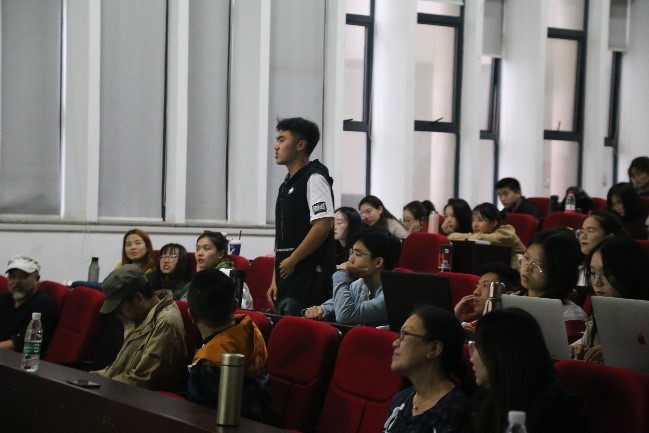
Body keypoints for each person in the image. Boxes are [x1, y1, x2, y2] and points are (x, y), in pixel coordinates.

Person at [469, 308, 587, 433]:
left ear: (498, 354)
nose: (471, 357)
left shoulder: (561, 411)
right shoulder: (485, 400)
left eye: (477, 347)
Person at [266, 117, 336, 316]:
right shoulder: (286, 184)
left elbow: (323, 224)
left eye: (282, 140)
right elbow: (282, 236)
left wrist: (293, 260)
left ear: (300, 145)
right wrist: (275, 278)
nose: (276, 146)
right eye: (277, 140)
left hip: (309, 278)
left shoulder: (315, 178)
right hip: (288, 276)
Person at [186, 269, 270, 421]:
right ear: (235, 305)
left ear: (191, 314)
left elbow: (200, 417)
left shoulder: (208, 363)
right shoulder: (252, 331)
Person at [93, 264, 187, 390]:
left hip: (138, 396)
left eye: (119, 308)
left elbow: (143, 379)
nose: (117, 314)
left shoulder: (166, 322)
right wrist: (92, 378)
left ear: (138, 298)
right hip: (120, 388)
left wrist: (101, 385)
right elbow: (117, 369)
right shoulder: (139, 315)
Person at [383, 305, 470, 433]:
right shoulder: (402, 399)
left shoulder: (453, 410)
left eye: (404, 334)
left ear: (434, 349)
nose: (395, 343)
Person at [570, 236, 649, 362]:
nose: (597, 282)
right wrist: (577, 348)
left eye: (607, 274)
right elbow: (585, 342)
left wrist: (617, 353)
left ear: (629, 273)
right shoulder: (600, 309)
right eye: (593, 273)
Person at [303, 227, 401, 326]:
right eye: (352, 253)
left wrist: (341, 272)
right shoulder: (361, 283)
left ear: (378, 262)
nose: (350, 259)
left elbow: (345, 316)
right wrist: (317, 311)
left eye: (358, 254)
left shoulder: (392, 294)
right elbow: (331, 307)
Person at [516, 230, 586, 322]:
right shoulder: (511, 300)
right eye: (526, 258)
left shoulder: (569, 315)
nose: (527, 268)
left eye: (538, 265)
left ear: (559, 271)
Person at [0, 256, 58, 352]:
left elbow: (21, 343)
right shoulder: (3, 298)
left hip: (18, 357)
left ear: (37, 279)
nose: (17, 281)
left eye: (23, 276)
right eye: (12, 277)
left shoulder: (44, 305)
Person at [183, 231, 253, 308]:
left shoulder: (229, 278)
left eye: (206, 249)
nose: (199, 253)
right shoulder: (201, 275)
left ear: (220, 254)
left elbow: (237, 311)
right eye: (197, 249)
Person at [454, 262, 521, 336]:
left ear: (508, 295)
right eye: (477, 286)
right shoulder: (472, 327)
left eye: (485, 285)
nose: (475, 292)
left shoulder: (513, 331)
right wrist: (456, 320)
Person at [447, 202, 526, 266]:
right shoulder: (481, 235)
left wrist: (470, 237)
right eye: (473, 220)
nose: (474, 225)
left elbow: (480, 238)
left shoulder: (506, 233)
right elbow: (451, 237)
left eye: (480, 220)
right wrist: (469, 237)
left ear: (494, 223)